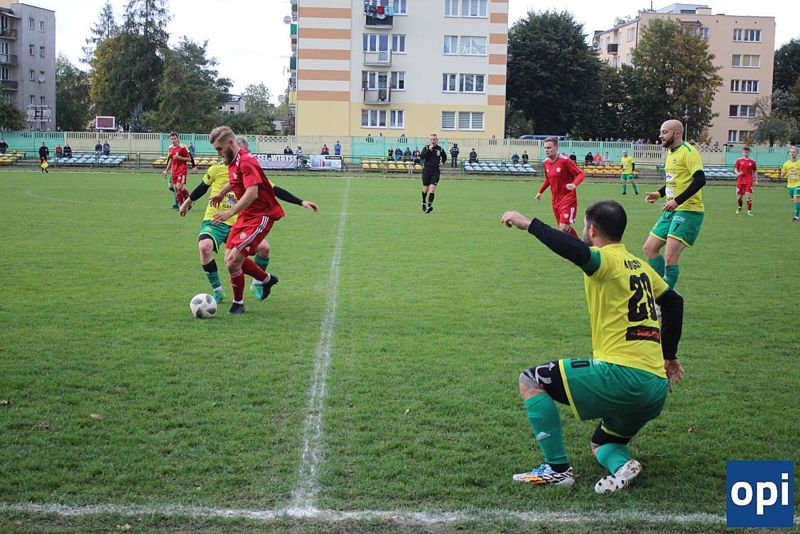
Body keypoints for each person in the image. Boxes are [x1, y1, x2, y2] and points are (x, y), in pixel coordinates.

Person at [501, 200, 685, 492]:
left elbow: (576, 251)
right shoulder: (639, 265)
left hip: (623, 377)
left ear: (593, 229)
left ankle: (557, 470)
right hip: (656, 388)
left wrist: (528, 224)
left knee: (532, 380)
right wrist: (669, 356)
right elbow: (674, 302)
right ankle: (623, 466)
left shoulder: (604, 260)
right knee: (603, 443)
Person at [207, 125, 283, 315]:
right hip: (246, 215)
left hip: (260, 216)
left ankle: (238, 304)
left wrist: (229, 213)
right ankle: (267, 279)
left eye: (219, 149)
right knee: (229, 260)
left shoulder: (247, 161)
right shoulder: (232, 160)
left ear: (230, 143)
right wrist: (221, 193)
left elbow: (252, 193)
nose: (218, 153)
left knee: (233, 262)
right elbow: (235, 180)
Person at [643, 119, 706, 291]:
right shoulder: (671, 153)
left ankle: (663, 298)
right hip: (671, 210)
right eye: (661, 132)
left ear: (677, 134)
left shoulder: (689, 152)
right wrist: (659, 193)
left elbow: (700, 180)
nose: (660, 136)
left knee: (670, 257)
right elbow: (675, 181)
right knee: (649, 248)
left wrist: (677, 201)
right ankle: (664, 290)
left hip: (689, 211)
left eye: (665, 132)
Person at [535, 137, 585, 238]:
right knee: (563, 228)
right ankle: (574, 246)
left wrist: (574, 184)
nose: (546, 150)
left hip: (568, 197)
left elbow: (581, 174)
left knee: (564, 227)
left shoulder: (565, 161)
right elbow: (548, 179)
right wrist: (540, 192)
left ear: (556, 147)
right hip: (555, 200)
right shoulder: (546, 163)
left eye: (549, 148)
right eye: (545, 148)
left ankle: (580, 245)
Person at [162, 131, 192, 209]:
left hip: (182, 169)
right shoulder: (170, 148)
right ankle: (182, 206)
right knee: (175, 188)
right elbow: (171, 160)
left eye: (174, 138)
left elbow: (189, 159)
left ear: (178, 138)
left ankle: (190, 199)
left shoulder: (182, 147)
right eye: (171, 139)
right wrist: (166, 170)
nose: (173, 140)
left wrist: (179, 158)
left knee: (179, 187)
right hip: (174, 171)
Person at [419, 133, 446, 213]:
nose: (432, 141)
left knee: (432, 187)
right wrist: (429, 150)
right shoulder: (426, 148)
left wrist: (442, 162)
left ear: (437, 140)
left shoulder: (440, 149)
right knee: (425, 188)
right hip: (426, 170)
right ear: (429, 140)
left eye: (434, 139)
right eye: (431, 139)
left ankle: (429, 206)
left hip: (435, 171)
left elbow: (444, 156)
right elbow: (421, 157)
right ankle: (423, 202)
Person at [734, 146, 757, 215]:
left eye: (747, 152)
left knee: (748, 196)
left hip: (748, 180)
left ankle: (749, 211)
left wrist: (755, 180)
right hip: (740, 181)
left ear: (749, 152)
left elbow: (755, 170)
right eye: (744, 152)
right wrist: (738, 173)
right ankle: (740, 207)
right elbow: (735, 169)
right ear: (742, 152)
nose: (745, 153)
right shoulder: (739, 160)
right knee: (739, 198)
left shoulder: (752, 161)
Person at [781, 145, 800, 221]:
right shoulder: (786, 163)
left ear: (797, 153)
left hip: (798, 184)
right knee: (794, 201)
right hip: (790, 185)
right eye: (791, 152)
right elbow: (782, 174)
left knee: (796, 199)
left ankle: (796, 217)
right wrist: (783, 173)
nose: (792, 153)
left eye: (794, 152)